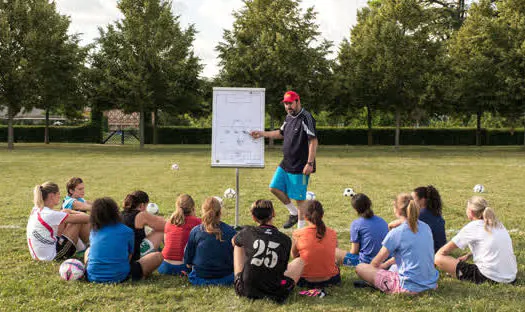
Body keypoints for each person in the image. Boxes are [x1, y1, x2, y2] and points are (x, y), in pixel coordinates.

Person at [250, 90, 318, 229]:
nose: (288, 107)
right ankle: (293, 213)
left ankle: (300, 230)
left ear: (298, 101)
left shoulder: (306, 117)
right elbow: (280, 133)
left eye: (290, 103)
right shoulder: (288, 117)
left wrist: (309, 163)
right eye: (286, 104)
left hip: (301, 165)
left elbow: (313, 141)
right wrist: (262, 133)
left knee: (299, 199)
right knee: (274, 187)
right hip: (286, 163)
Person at [355, 193, 438, 294]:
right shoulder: (426, 227)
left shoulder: (397, 232)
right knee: (393, 267)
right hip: (431, 284)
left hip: (408, 288)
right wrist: (386, 264)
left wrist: (375, 270)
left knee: (361, 268)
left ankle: (380, 285)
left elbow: (375, 263)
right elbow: (410, 254)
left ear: (397, 210)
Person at [233, 199, 304, 303]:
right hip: (275, 293)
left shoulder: (247, 232)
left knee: (237, 243)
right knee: (300, 261)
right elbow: (283, 269)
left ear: (253, 217)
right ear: (273, 213)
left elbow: (233, 241)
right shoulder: (285, 239)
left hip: (245, 290)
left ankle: (240, 279)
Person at [434, 196, 517, 284]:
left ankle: (454, 273)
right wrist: (468, 255)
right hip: (511, 276)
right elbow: (491, 246)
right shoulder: (498, 224)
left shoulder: (473, 227)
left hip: (489, 277)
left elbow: (442, 252)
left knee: (438, 258)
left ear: (471, 212)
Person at [85, 197, 163, 283]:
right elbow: (129, 256)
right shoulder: (127, 231)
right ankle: (141, 275)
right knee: (157, 256)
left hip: (92, 276)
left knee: (88, 250)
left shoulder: (94, 231)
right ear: (115, 211)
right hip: (120, 276)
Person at [27, 182, 90, 261]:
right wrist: (76, 212)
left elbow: (60, 214)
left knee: (65, 214)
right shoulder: (50, 214)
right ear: (52, 196)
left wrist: (67, 211)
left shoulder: (37, 209)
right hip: (53, 256)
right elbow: (87, 218)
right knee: (77, 221)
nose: (60, 196)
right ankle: (91, 249)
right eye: (58, 194)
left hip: (40, 255)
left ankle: (83, 248)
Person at [184, 197, 236, 286]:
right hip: (225, 276)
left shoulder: (196, 231)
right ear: (220, 212)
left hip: (201, 277)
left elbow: (188, 261)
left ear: (203, 211)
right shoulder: (231, 231)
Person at [291, 200, 340, 288]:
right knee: (335, 260)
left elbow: (294, 255)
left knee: (295, 263)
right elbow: (333, 252)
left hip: (304, 280)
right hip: (331, 279)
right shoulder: (332, 233)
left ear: (305, 216)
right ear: (322, 215)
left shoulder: (297, 233)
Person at [388, 185, 446, 253]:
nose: (410, 202)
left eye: (413, 199)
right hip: (440, 250)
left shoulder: (421, 214)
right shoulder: (434, 212)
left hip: (432, 253)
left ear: (423, 200)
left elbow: (393, 225)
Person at [335, 193, 389, 266]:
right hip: (385, 260)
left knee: (335, 251)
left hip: (366, 262)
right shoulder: (382, 221)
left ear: (355, 209)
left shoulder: (356, 224)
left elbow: (354, 251)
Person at [158, 194, 202, 276]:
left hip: (164, 266)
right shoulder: (198, 222)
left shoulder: (169, 222)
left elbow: (166, 243)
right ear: (193, 208)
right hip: (184, 267)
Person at [121, 191, 166, 261]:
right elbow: (165, 225)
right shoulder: (141, 215)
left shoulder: (120, 214)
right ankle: (169, 256)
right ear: (141, 205)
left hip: (122, 254)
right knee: (160, 231)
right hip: (135, 255)